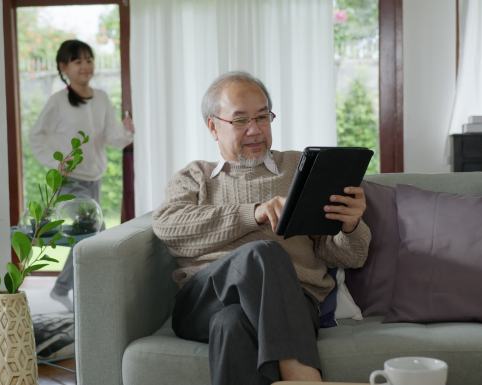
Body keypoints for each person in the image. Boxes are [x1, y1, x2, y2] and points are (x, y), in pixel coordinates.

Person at [152, 71, 371, 384]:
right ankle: (303, 377)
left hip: (294, 304)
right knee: (260, 254)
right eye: (240, 120)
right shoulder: (194, 177)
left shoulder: (299, 168)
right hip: (203, 302)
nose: (255, 130)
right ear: (213, 126)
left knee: (231, 324)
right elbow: (168, 225)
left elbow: (351, 257)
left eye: (263, 116)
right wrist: (252, 213)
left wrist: (350, 226)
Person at [29, 39, 134, 311]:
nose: (85, 66)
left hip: (94, 179)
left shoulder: (101, 98)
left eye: (89, 60)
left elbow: (113, 138)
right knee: (93, 234)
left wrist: (128, 131)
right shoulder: (58, 101)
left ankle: (64, 289)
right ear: (64, 67)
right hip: (69, 181)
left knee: (90, 237)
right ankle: (83, 293)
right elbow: (36, 136)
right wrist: (55, 163)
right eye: (78, 61)